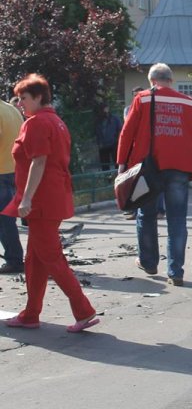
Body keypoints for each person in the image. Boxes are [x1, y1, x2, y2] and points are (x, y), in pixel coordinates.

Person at [2, 74, 99, 332]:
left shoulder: (36, 123)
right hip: (52, 197)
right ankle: (30, 314)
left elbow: (39, 161)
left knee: (52, 258)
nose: (20, 103)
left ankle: (84, 310)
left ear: (38, 97)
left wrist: (27, 197)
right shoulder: (56, 122)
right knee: (35, 260)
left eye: (24, 98)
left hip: (42, 201)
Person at [117, 63, 192, 286]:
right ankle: (176, 271)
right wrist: (187, 158)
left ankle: (148, 262)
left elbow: (127, 133)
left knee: (146, 215)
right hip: (179, 168)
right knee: (177, 220)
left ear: (151, 81)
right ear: (171, 80)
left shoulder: (143, 99)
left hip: (149, 167)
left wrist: (122, 164)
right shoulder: (186, 101)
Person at [122, 86, 165, 221]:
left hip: (149, 149)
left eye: (138, 94)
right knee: (134, 182)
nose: (136, 97)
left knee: (154, 182)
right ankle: (134, 210)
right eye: (134, 95)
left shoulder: (151, 106)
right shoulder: (129, 109)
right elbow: (127, 127)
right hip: (135, 150)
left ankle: (159, 210)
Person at [0, 99, 25, 274]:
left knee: (5, 220)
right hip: (13, 169)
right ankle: (14, 257)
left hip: (0, 171)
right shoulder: (11, 110)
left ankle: (14, 259)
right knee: (7, 219)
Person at [95, 103, 122, 171]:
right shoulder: (98, 120)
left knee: (117, 164)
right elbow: (97, 133)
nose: (105, 111)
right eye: (103, 109)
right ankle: (108, 180)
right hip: (103, 146)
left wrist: (117, 141)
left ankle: (119, 178)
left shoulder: (115, 118)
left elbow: (120, 129)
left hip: (114, 144)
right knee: (105, 166)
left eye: (106, 108)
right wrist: (99, 143)